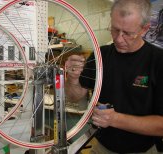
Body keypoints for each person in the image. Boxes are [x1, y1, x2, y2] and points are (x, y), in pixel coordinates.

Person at [65, 0, 163, 153]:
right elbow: (74, 97)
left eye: (128, 33)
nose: (118, 39)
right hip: (101, 146)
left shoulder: (158, 61)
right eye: (115, 30)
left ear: (145, 29)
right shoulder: (100, 55)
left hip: (143, 150)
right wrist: (72, 78)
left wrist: (115, 119)